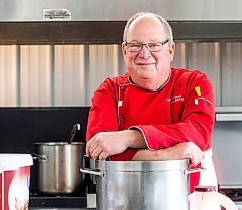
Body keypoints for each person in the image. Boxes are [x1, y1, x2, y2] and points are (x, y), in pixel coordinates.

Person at [85, 11, 217, 191]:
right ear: (125, 51)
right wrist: (168, 154)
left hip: (193, 203)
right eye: (135, 45)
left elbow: (197, 134)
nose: (144, 53)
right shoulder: (109, 91)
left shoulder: (195, 83)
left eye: (154, 45)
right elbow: (100, 150)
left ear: (170, 50)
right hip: (126, 202)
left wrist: (127, 138)